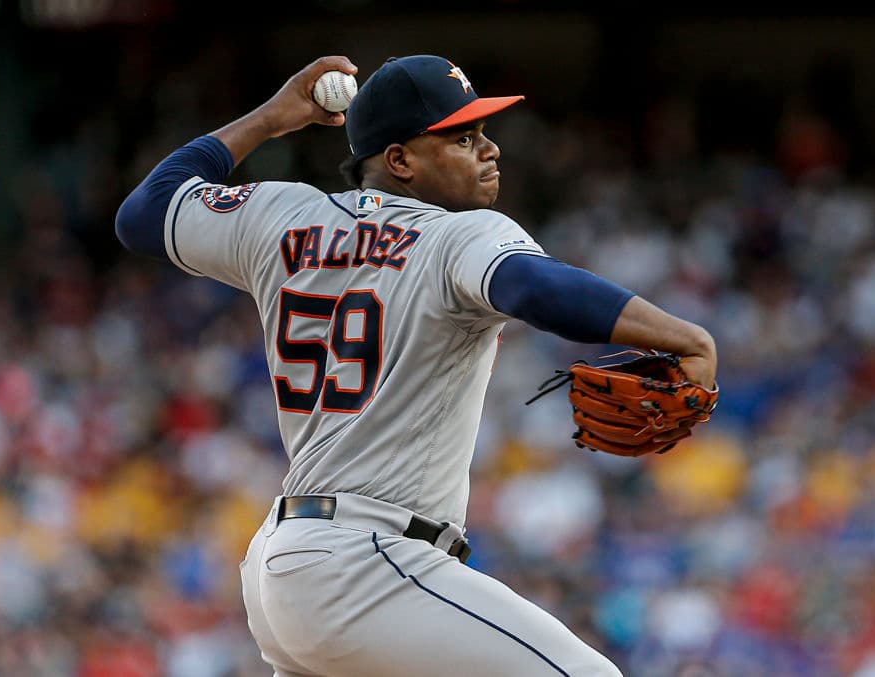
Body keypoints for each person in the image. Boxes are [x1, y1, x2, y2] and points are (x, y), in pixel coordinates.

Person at [115, 54, 716, 677]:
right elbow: (535, 288)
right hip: (368, 564)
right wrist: (686, 337)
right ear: (400, 160)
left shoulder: (282, 216)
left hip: (284, 564)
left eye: (482, 134)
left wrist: (272, 118)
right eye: (463, 138)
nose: (490, 151)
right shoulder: (459, 235)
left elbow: (145, 212)